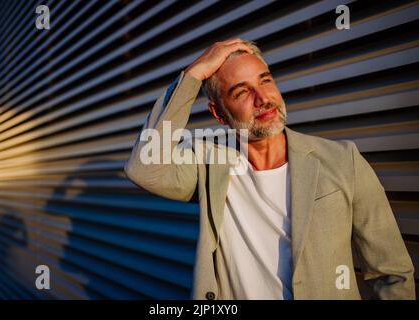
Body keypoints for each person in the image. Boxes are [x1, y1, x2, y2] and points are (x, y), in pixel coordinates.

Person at [125, 38, 415, 300]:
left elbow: (391, 273)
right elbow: (143, 168)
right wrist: (194, 73)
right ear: (219, 113)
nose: (263, 98)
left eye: (265, 81)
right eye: (242, 92)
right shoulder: (210, 164)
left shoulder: (342, 160)